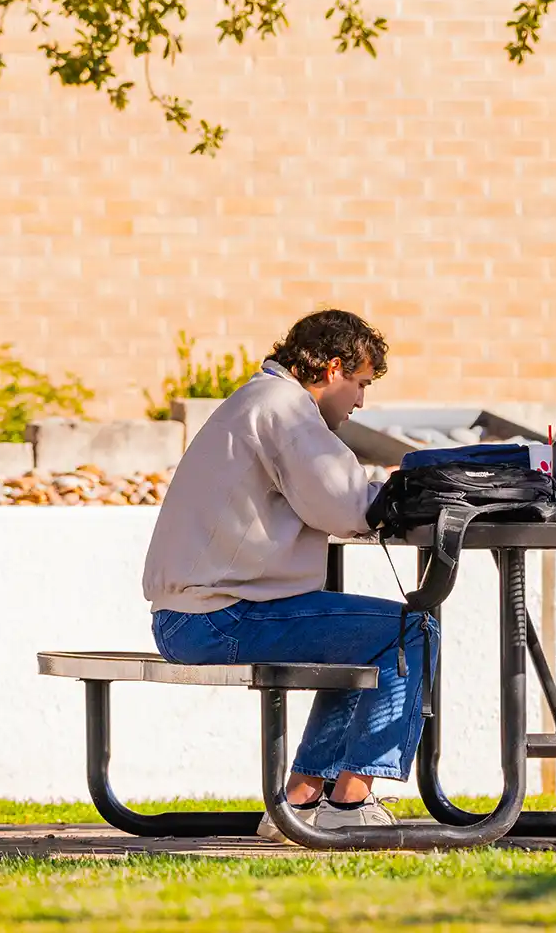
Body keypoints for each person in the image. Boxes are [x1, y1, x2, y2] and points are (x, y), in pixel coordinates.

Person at [141, 309, 429, 837]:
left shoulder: (258, 399)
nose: (361, 401)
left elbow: (326, 498)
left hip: (194, 615)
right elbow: (345, 508)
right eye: (361, 384)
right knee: (412, 630)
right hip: (219, 617)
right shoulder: (288, 411)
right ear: (335, 368)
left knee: (361, 638)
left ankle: (298, 804)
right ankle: (351, 808)